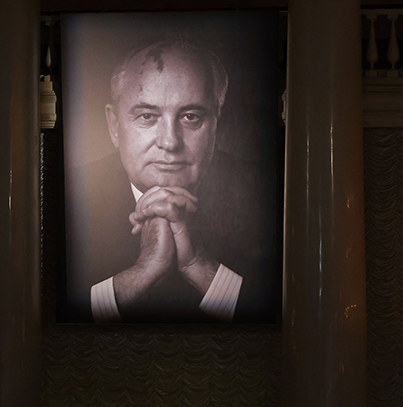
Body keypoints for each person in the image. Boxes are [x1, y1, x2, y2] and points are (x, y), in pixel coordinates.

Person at [64, 39, 277, 323]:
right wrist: (142, 273)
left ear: (217, 122)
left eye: (191, 117)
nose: (170, 142)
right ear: (114, 126)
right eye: (147, 116)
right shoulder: (62, 194)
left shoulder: (272, 192)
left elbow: (287, 321)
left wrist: (198, 266)